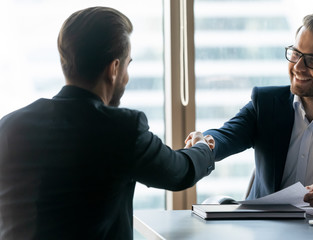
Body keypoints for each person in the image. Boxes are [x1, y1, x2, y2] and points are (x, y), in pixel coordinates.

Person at [0, 7, 215, 240]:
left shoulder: (9, 127)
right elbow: (180, 171)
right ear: (114, 69)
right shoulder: (122, 130)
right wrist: (203, 146)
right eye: (127, 65)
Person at [185, 13, 313, 214]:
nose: (298, 67)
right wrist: (207, 141)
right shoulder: (265, 103)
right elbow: (227, 135)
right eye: (296, 54)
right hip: (264, 227)